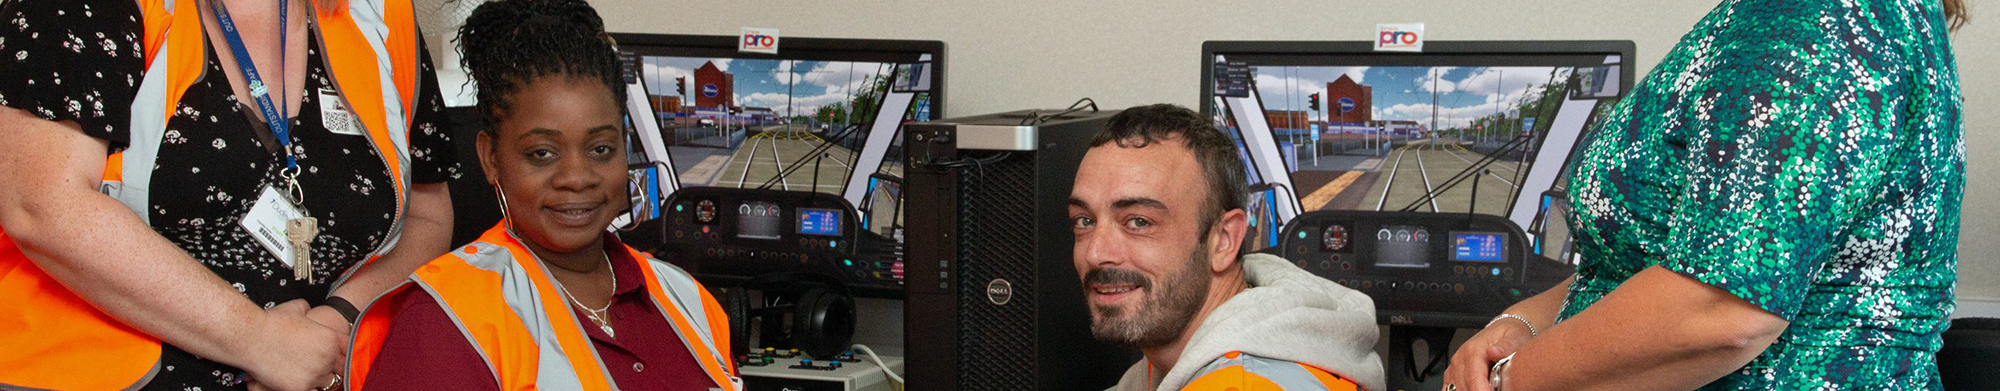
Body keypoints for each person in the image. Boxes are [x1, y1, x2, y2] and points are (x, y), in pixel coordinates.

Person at [1440, 0, 1967, 390]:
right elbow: (1661, 257)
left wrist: (1512, 379)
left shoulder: (1811, 18)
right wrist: (1522, 321)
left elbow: (1724, 309)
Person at [0, 0, 459, 388]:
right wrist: (259, 341)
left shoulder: (378, 10)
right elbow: (42, 206)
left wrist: (337, 321)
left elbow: (428, 214)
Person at [342, 0, 738, 389]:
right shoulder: (444, 321)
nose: (576, 178)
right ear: (491, 157)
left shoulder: (690, 300)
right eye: (542, 154)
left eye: (600, 149)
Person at [1069, 104, 1384, 391]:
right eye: (1084, 221)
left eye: (1138, 222)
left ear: (1223, 240)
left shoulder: (1241, 383)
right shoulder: (1167, 361)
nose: (1096, 253)